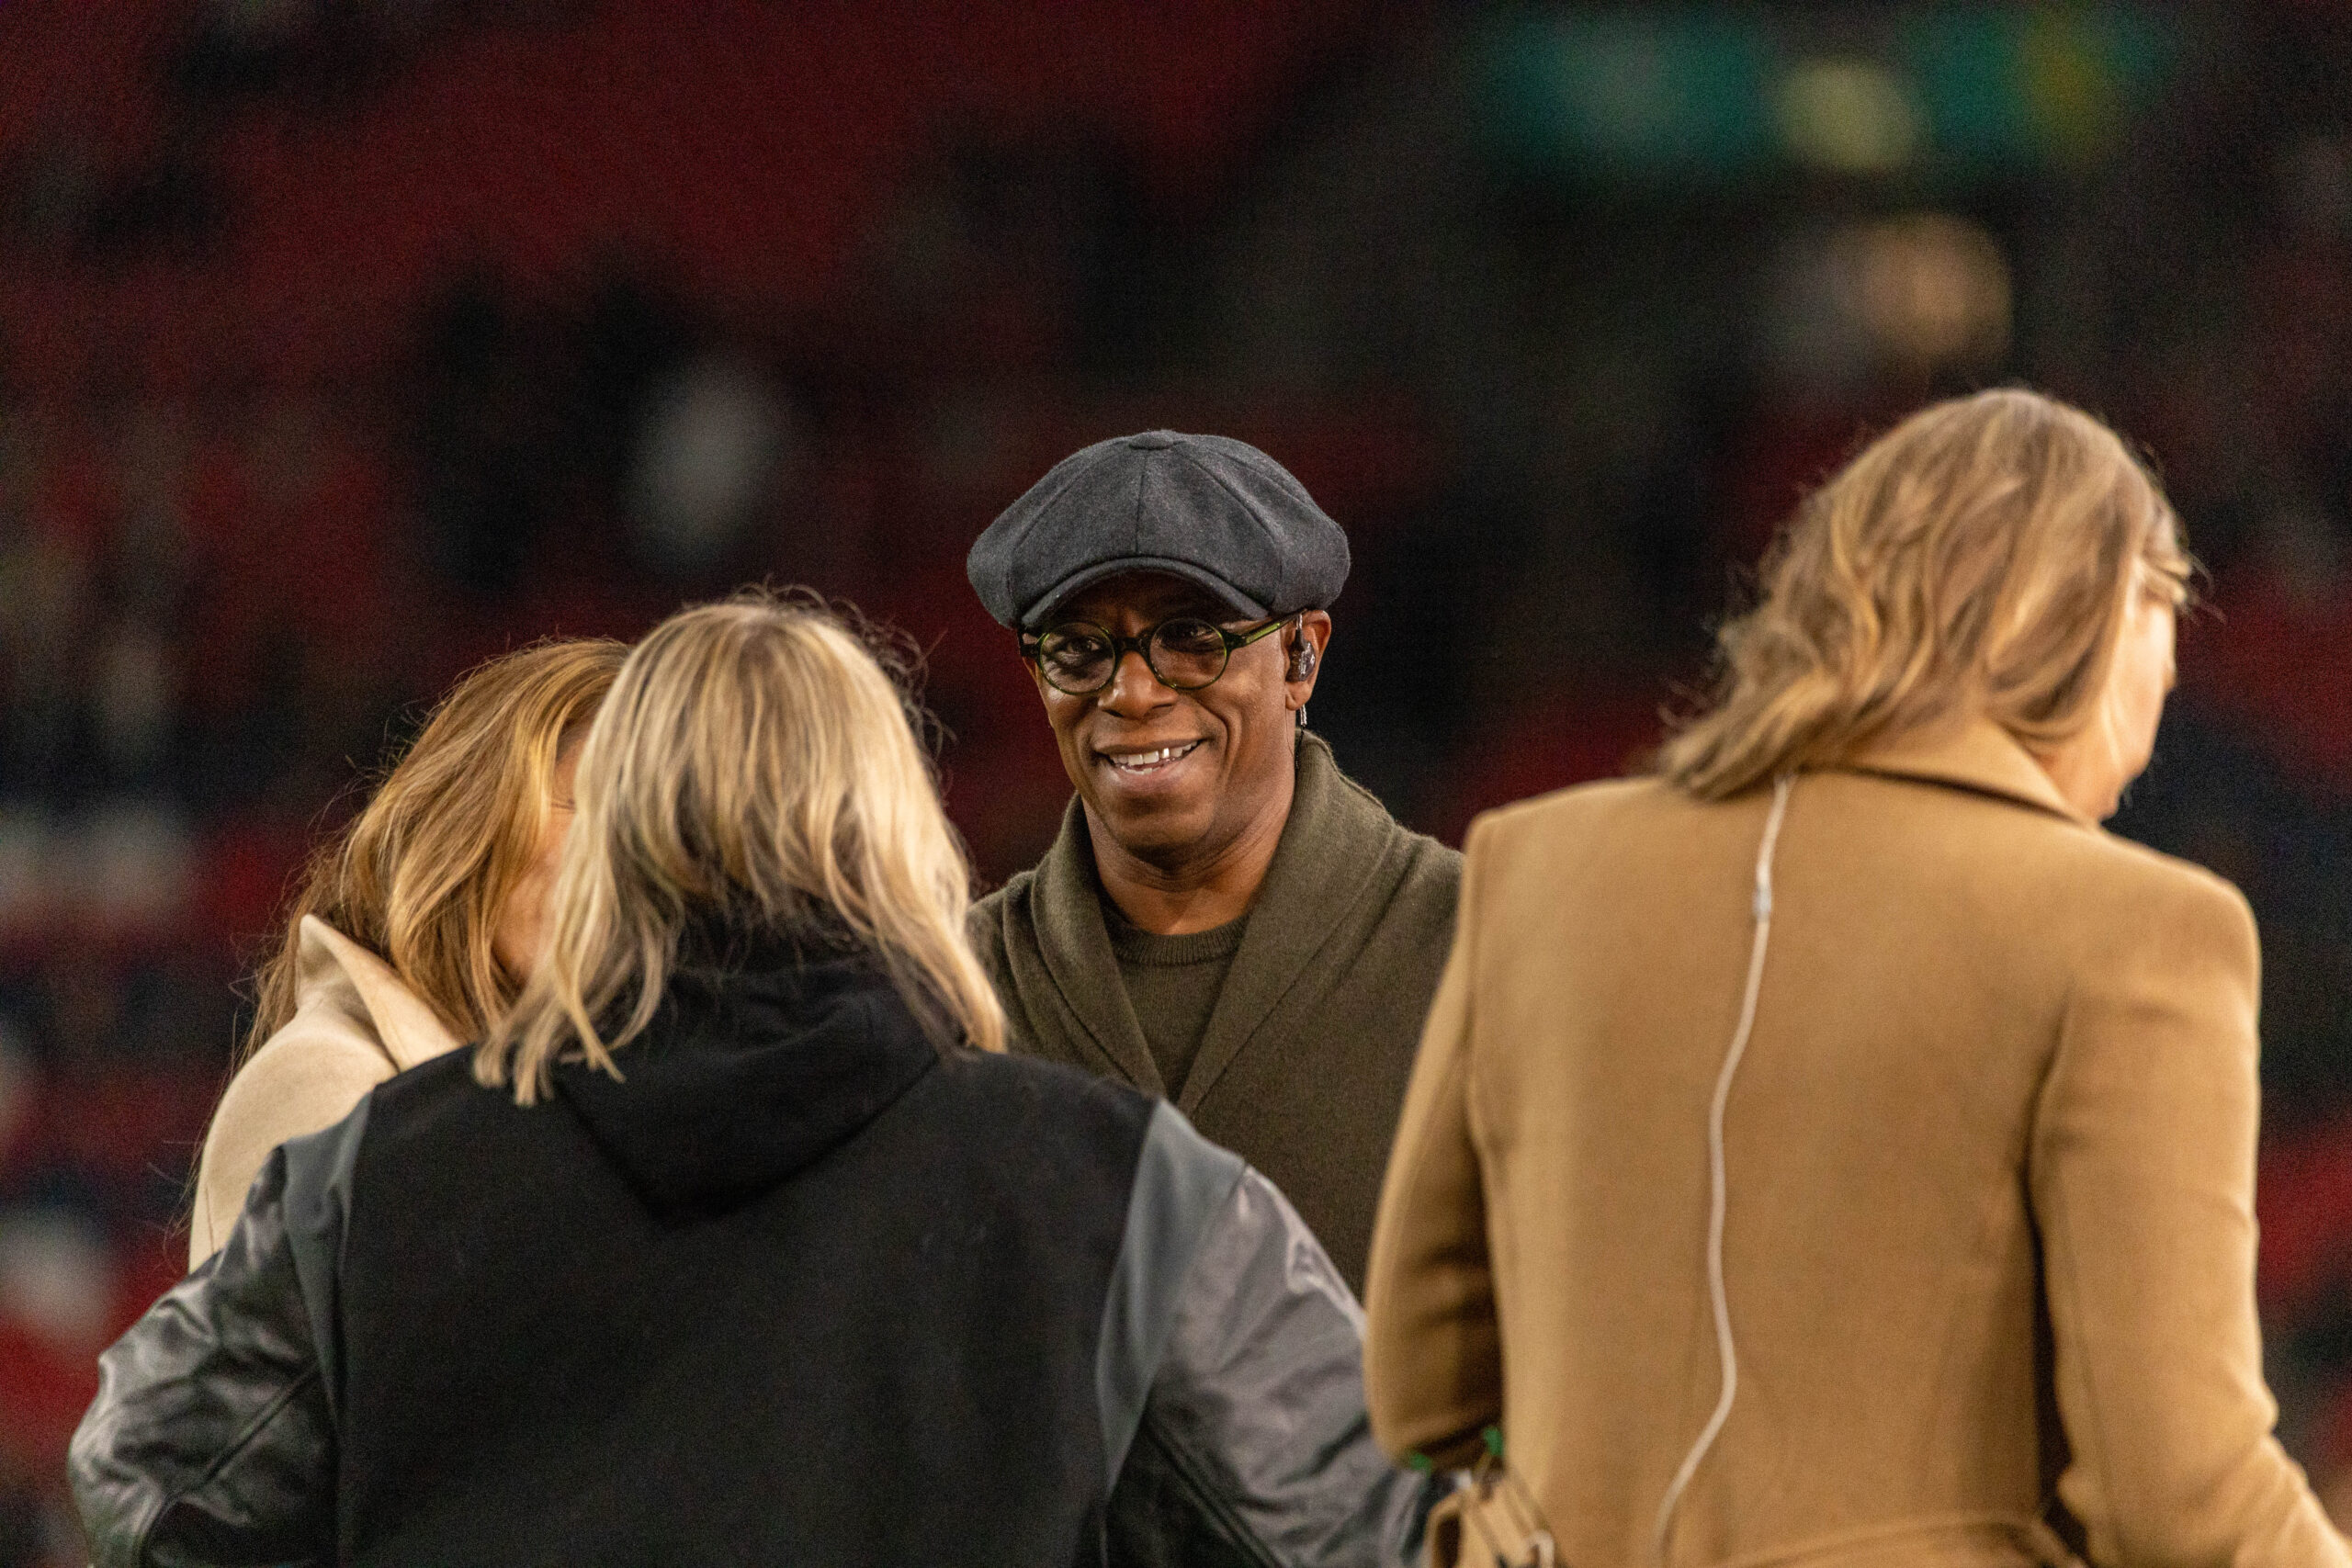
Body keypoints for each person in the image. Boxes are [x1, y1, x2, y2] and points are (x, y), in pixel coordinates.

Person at [74, 589, 1430, 1567]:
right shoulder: (1124, 1187)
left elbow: (145, 1482)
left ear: (618, 849)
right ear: (899, 839)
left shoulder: (380, 1173)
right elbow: (1372, 1531)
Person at [1365, 389, 2352, 1568]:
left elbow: (1422, 1388)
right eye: (2163, 644)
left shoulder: (1532, 861)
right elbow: (2183, 1500)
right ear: (2091, 632)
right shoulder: (2142, 932)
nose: (2149, 734)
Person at [967, 429, 1461, 1293]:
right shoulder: (955, 990)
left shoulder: (1472, 952)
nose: (1132, 691)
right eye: (1079, 648)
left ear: (1302, 655)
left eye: (1191, 636)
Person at [188, 637, 624, 1265]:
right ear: (474, 815)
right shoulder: (332, 1086)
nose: (617, 872)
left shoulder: (584, 1102)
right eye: (596, 810)